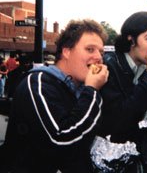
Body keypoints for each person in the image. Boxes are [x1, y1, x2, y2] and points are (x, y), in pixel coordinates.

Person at [0, 19, 109, 173]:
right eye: (90, 49)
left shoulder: (81, 90)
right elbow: (62, 141)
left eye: (101, 52)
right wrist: (92, 90)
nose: (98, 57)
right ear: (67, 51)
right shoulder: (38, 83)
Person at [96, 11, 147, 172]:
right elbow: (118, 120)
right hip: (108, 158)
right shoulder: (109, 67)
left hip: (138, 155)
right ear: (131, 38)